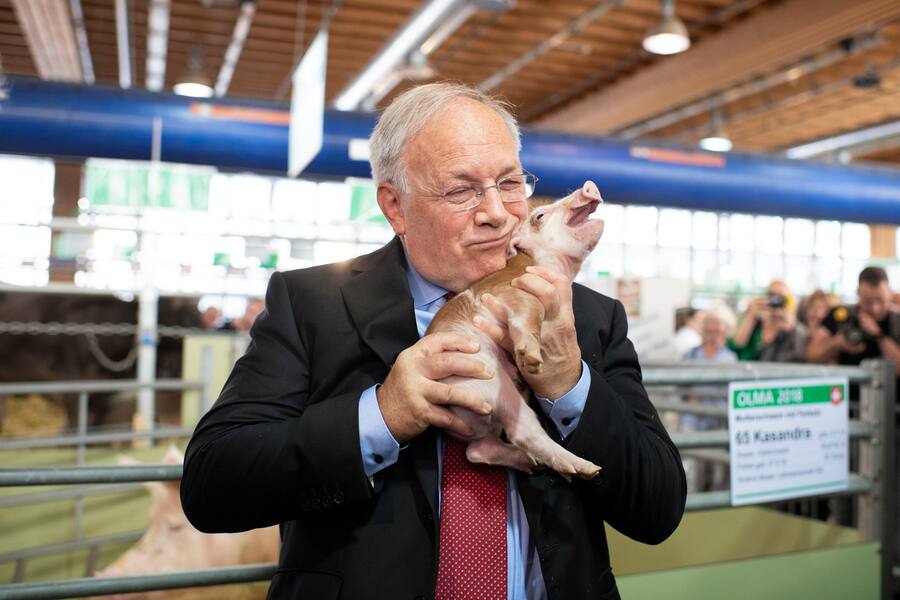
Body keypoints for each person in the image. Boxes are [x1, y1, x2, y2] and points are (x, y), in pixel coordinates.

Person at [180, 83, 686, 600]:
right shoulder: (313, 304)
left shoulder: (589, 316)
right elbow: (212, 484)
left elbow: (659, 507)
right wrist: (383, 414)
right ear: (394, 206)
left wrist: (570, 386)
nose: (498, 212)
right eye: (461, 191)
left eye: (510, 182)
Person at [681, 306, 737, 491]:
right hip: (693, 421)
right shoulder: (691, 354)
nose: (714, 333)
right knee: (691, 471)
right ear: (704, 330)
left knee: (717, 471)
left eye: (718, 329)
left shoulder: (730, 359)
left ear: (726, 331)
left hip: (718, 421)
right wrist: (689, 398)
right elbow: (681, 388)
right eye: (710, 328)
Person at [807, 266, 900, 378]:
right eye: (868, 302)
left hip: (888, 394)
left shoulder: (897, 321)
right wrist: (837, 343)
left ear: (890, 294)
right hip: (845, 392)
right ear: (858, 293)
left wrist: (879, 335)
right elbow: (811, 355)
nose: (875, 308)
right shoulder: (841, 315)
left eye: (880, 301)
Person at [729, 279, 805, 362]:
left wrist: (791, 325)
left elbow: (799, 355)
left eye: (781, 297)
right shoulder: (757, 322)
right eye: (772, 295)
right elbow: (738, 344)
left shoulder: (794, 328)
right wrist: (751, 316)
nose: (776, 300)